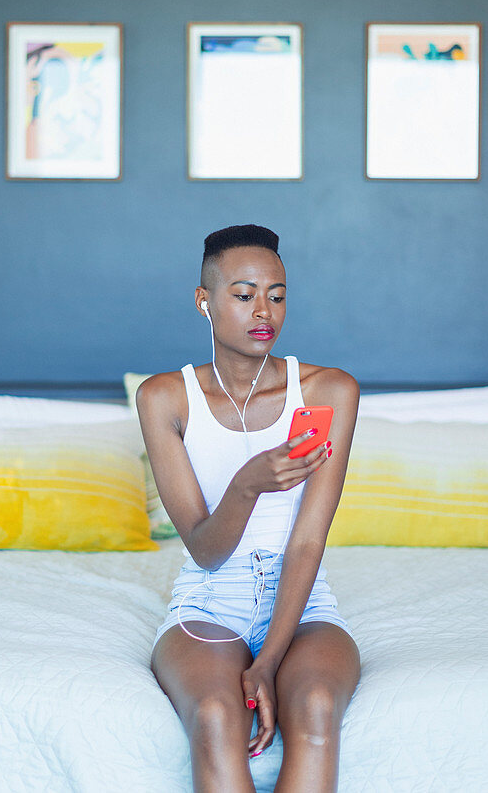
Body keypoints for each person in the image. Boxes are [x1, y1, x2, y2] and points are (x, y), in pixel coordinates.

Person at [136, 224, 361, 792]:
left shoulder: (326, 391)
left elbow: (308, 541)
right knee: (216, 718)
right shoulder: (165, 398)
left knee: (312, 705)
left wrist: (269, 661)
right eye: (243, 294)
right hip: (210, 604)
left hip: (305, 606)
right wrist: (247, 485)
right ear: (203, 301)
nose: (264, 311)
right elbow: (205, 549)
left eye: (278, 295)